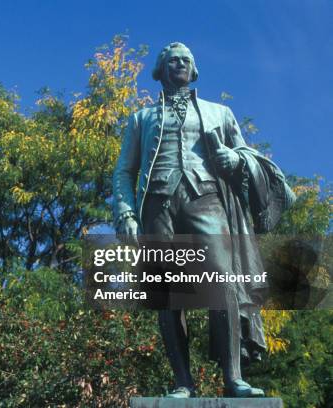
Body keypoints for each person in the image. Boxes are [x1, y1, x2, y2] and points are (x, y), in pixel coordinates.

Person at [112, 42, 294, 398]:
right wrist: (126, 212)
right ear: (160, 70)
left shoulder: (220, 113)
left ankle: (234, 378)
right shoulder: (141, 119)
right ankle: (183, 382)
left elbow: (247, 154)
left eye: (186, 60)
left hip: (206, 199)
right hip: (158, 206)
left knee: (223, 282)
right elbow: (124, 171)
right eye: (172, 59)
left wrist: (234, 159)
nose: (179, 63)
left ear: (193, 70)